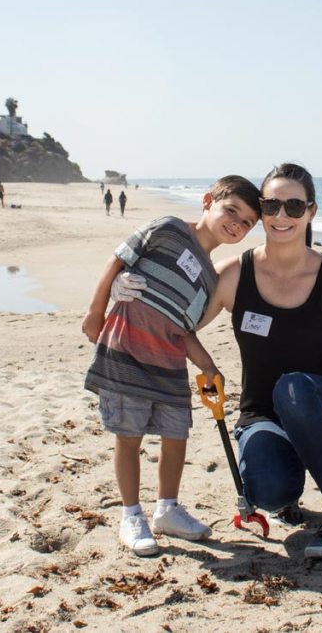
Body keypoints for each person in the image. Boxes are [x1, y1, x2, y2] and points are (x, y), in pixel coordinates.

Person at [112, 163, 322, 558]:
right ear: (261, 210)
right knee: (267, 488)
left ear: (311, 212)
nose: (282, 216)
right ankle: (286, 494)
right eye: (272, 205)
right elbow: (177, 322)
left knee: (294, 386)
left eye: (294, 207)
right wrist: (122, 285)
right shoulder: (232, 275)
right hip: (262, 416)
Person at [82, 175, 261, 556]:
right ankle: (132, 515)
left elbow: (183, 330)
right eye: (232, 210)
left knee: (176, 437)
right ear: (208, 200)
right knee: (128, 439)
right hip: (126, 352)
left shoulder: (211, 279)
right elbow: (117, 259)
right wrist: (96, 309)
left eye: (247, 222)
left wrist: (208, 364)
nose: (237, 223)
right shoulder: (167, 228)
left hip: (168, 365)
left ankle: (167, 508)